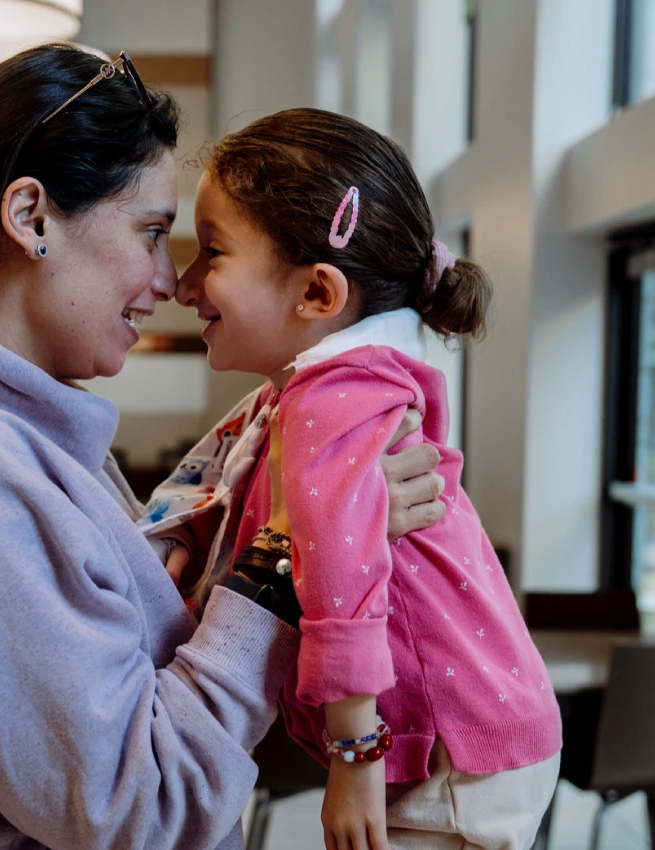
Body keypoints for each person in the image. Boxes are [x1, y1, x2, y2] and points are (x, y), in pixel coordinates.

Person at [0, 47, 444, 850]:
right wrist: (286, 560)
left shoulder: (1, 434)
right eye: (153, 232)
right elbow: (138, 807)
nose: (171, 282)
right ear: (31, 218)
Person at [142, 108, 562, 850]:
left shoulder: (332, 397)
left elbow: (341, 571)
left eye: (212, 253)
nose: (183, 283)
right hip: (463, 735)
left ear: (318, 295)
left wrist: (355, 757)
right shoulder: (332, 388)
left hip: (447, 751)